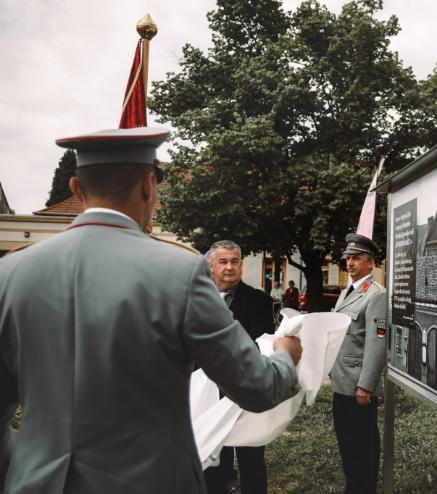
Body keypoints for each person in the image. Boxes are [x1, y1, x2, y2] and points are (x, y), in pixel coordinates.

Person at [0, 127, 302, 494]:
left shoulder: (10, 272)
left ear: (76, 188)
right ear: (148, 184)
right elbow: (256, 387)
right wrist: (286, 356)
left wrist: (24, 466)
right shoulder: (180, 272)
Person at [204, 240, 275, 494]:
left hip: (246, 395)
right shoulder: (199, 299)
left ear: (242, 265)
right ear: (211, 265)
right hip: (208, 398)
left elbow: (262, 347)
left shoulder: (258, 301)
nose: (229, 267)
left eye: (234, 261)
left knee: (251, 460)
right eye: (223, 261)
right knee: (213, 461)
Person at [330, 233, 387, 494]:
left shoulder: (376, 295)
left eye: (356, 258)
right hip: (341, 382)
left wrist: (366, 386)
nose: (350, 263)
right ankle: (353, 486)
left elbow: (377, 344)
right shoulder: (347, 292)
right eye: (348, 258)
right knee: (347, 444)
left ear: (370, 262)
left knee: (363, 447)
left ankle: (363, 488)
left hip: (358, 387)